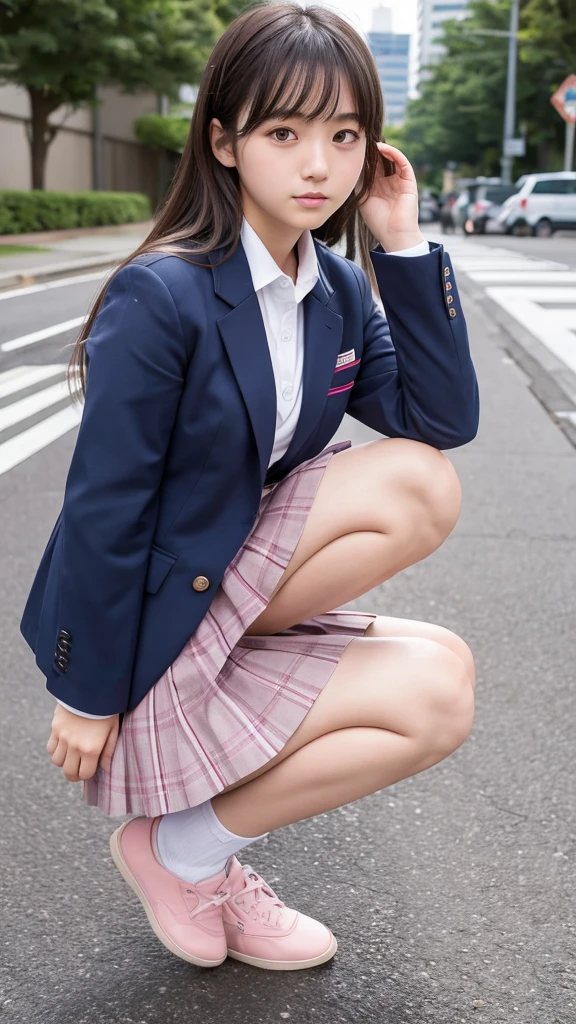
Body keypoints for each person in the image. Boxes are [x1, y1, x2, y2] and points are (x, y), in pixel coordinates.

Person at [20, 1, 479, 973]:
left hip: (225, 598)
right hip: (151, 632)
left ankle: (183, 849)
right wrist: (85, 691)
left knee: (442, 682)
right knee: (408, 485)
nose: (319, 165)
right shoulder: (166, 293)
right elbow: (107, 503)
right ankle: (179, 800)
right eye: (285, 133)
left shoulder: (340, 291)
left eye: (344, 136)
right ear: (225, 142)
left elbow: (440, 418)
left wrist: (398, 241)